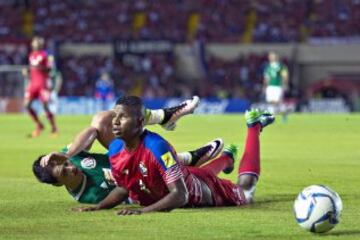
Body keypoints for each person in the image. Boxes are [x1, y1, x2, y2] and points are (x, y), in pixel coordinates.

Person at [73, 96, 274, 215]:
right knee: (190, 172)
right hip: (182, 175)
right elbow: (124, 187)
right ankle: (227, 157)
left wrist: (143, 211)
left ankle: (253, 127)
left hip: (204, 191)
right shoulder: (116, 149)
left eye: (123, 117)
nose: (115, 122)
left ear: (140, 122)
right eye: (115, 116)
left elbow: (180, 195)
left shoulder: (157, 147)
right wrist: (99, 207)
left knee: (246, 190)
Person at [32, 138, 224, 204]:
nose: (71, 167)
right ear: (58, 184)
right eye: (64, 173)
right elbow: (130, 194)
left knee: (102, 121)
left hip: (126, 155)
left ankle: (184, 157)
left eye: (66, 164)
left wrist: (65, 153)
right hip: (142, 177)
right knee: (201, 179)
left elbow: (92, 131)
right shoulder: (88, 196)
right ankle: (189, 159)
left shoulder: (69, 156)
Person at [24, 36, 58, 137]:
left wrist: (36, 67)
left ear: (40, 44)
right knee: (27, 105)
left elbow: (49, 69)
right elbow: (33, 71)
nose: (35, 44)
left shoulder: (45, 55)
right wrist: (27, 72)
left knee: (45, 106)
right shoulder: (31, 55)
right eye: (34, 42)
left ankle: (54, 128)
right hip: (33, 84)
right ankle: (39, 125)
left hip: (42, 84)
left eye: (37, 42)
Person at [263, 51, 289, 122]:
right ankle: (272, 118)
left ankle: (284, 113)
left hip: (278, 86)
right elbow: (266, 78)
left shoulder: (281, 66)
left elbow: (285, 76)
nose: (271, 57)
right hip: (270, 86)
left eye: (272, 56)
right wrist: (265, 86)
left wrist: (285, 84)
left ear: (276, 57)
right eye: (270, 56)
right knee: (270, 102)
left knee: (277, 102)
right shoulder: (268, 67)